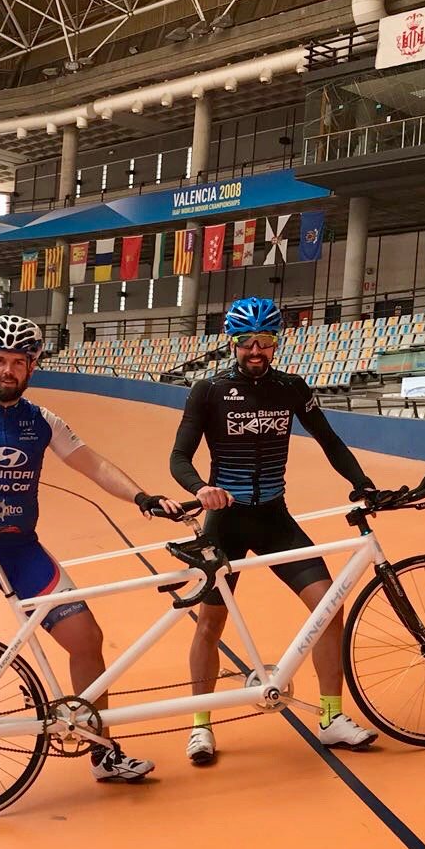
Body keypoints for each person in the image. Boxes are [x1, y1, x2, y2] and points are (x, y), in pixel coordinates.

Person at [0, 313, 180, 808]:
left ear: (32, 367)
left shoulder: (42, 421)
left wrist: (142, 497)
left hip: (21, 551)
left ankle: (102, 752)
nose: (8, 370)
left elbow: (93, 464)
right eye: (0, 360)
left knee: (86, 637)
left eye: (19, 362)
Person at [169, 297, 380, 765]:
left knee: (329, 607)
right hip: (226, 522)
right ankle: (200, 726)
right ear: (233, 343)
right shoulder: (209, 390)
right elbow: (179, 457)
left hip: (274, 519)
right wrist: (201, 488)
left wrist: (361, 481)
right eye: (247, 341)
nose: (255, 350)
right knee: (209, 624)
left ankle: (331, 718)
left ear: (275, 344)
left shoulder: (291, 388)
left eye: (264, 341)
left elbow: (329, 440)